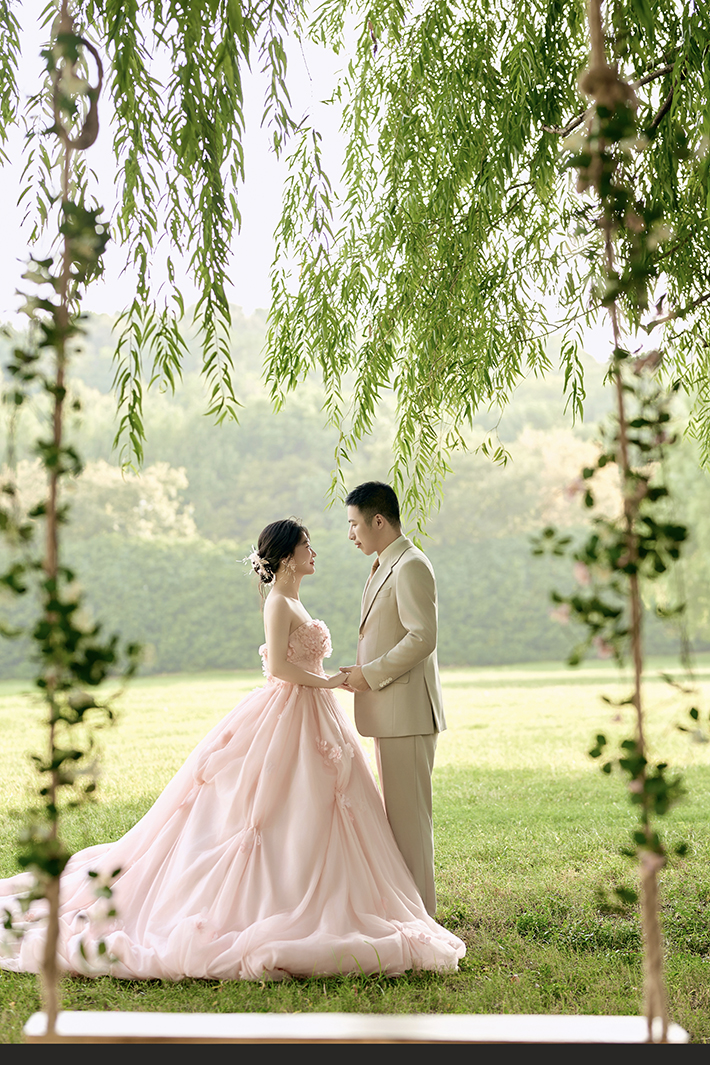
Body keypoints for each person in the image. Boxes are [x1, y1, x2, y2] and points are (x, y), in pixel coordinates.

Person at [0, 518, 464, 981]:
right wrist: (325, 681)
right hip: (292, 708)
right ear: (287, 556)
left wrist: (326, 681)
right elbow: (279, 667)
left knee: (326, 802)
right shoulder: (278, 602)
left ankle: (335, 888)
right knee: (273, 805)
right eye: (307, 546)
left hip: (315, 710)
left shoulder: (294, 599)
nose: (314, 553)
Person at [340, 483, 444, 917]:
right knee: (400, 825)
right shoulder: (386, 563)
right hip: (392, 713)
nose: (351, 534)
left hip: (408, 714)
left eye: (354, 524)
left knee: (410, 826)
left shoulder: (411, 565)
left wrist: (370, 674)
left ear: (378, 520)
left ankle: (425, 922)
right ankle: (412, 914)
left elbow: (423, 637)